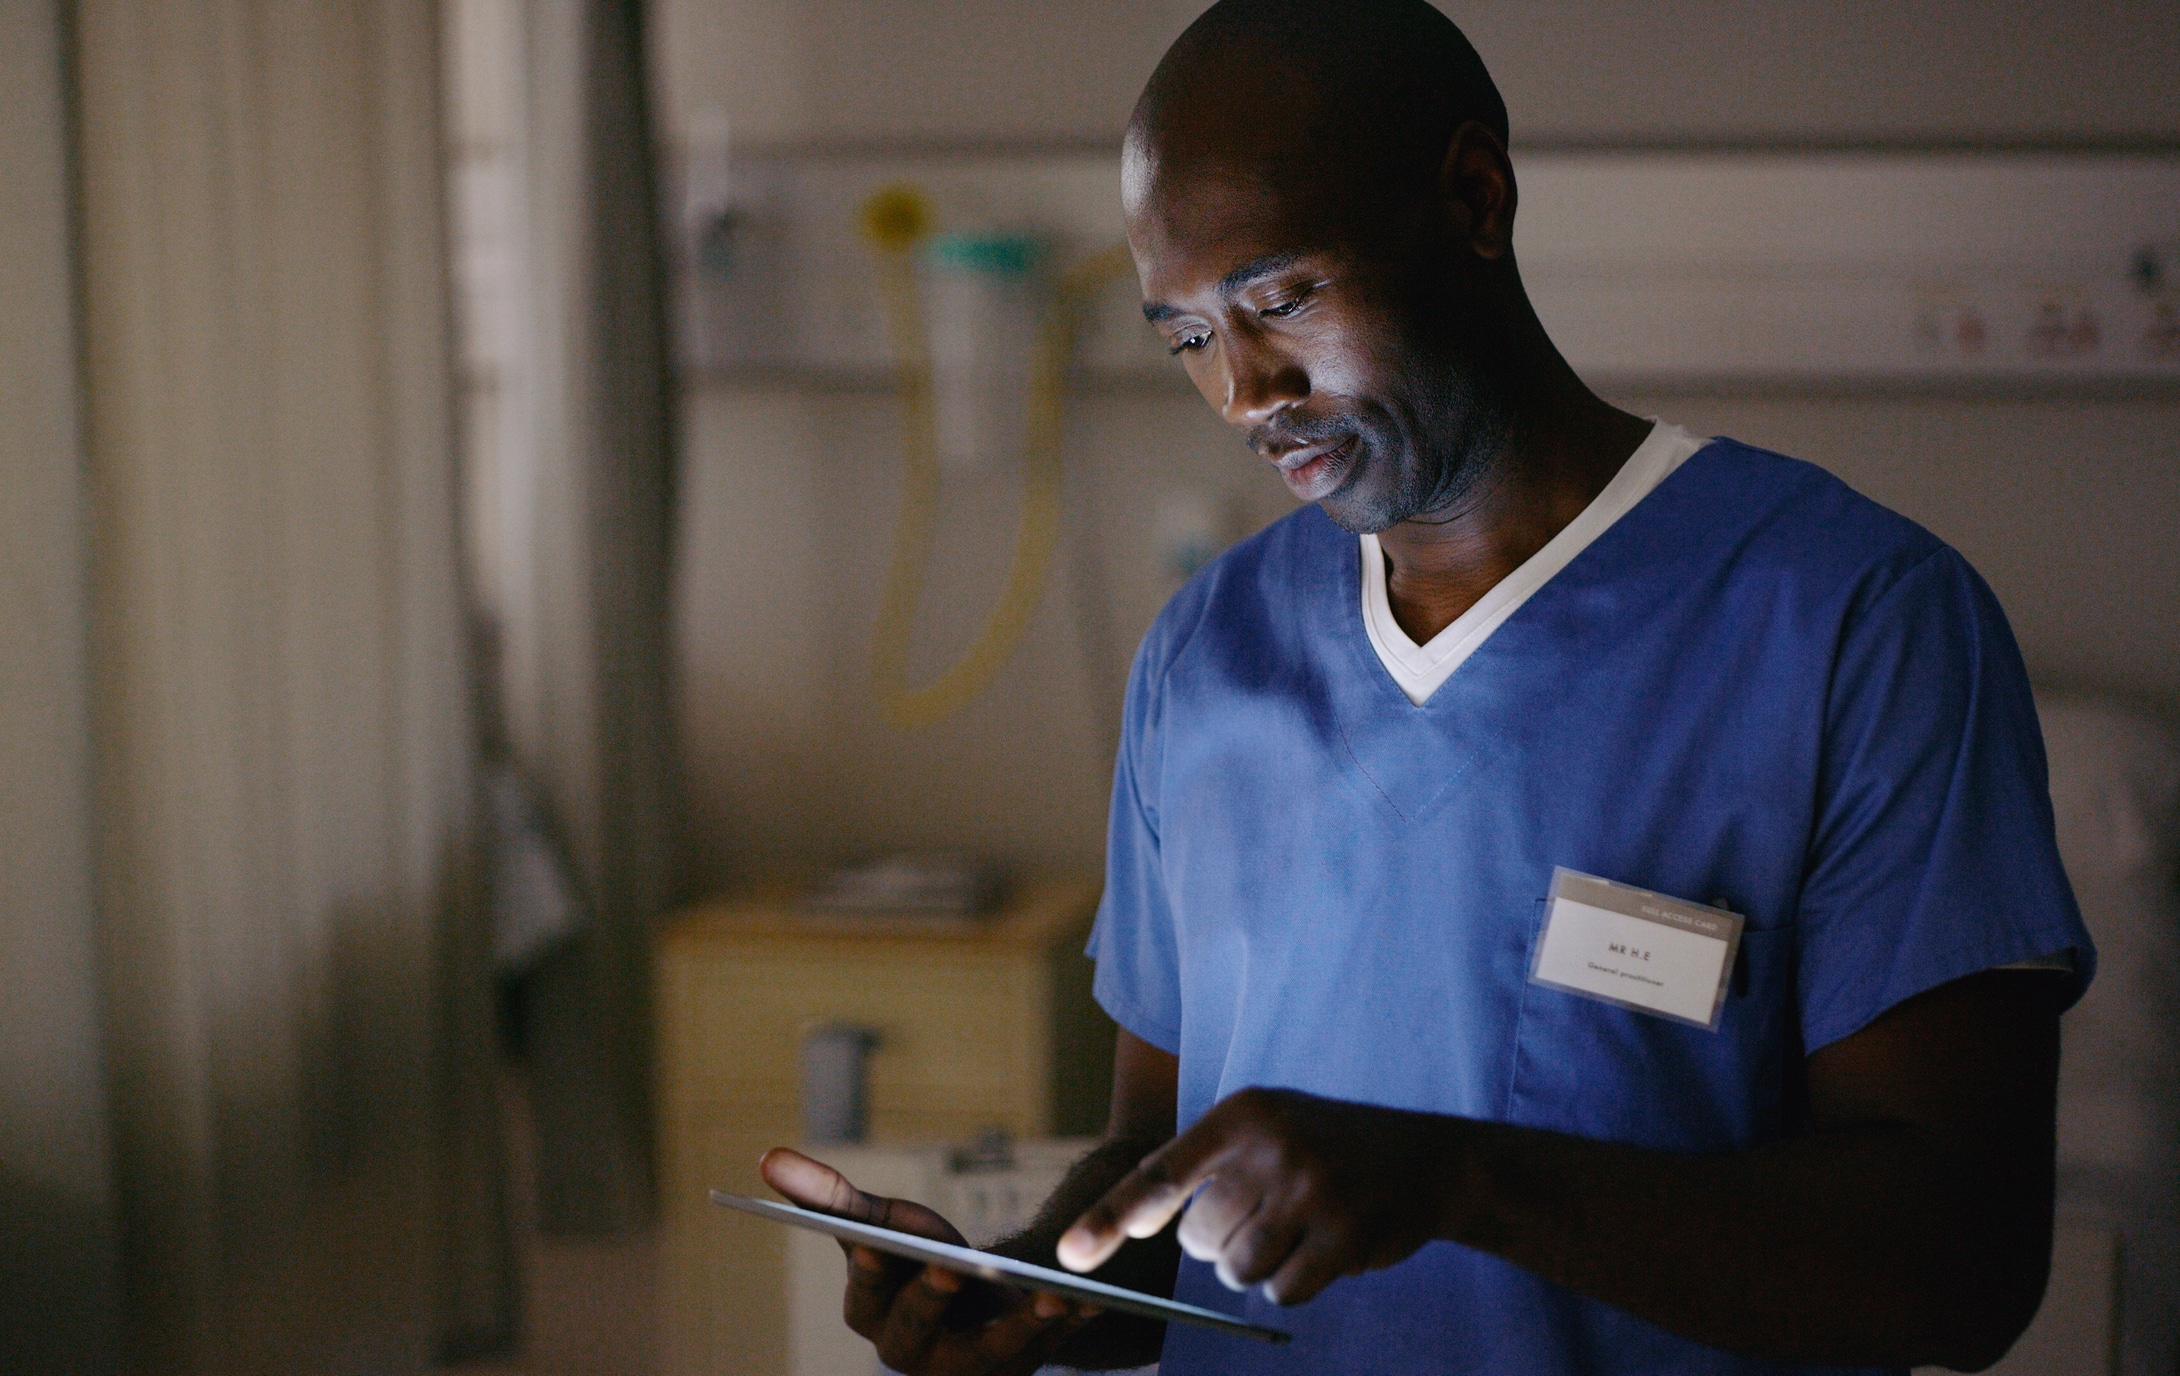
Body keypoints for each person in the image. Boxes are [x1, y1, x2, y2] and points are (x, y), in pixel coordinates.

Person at [761, 2, 2094, 1372]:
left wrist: (1457, 1182)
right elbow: (1162, 1168)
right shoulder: (1208, 657)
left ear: (1472, 198)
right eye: (1188, 338)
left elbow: (1962, 1262)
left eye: (1280, 301)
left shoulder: (1852, 625)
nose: (1243, 391)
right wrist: (1039, 1292)